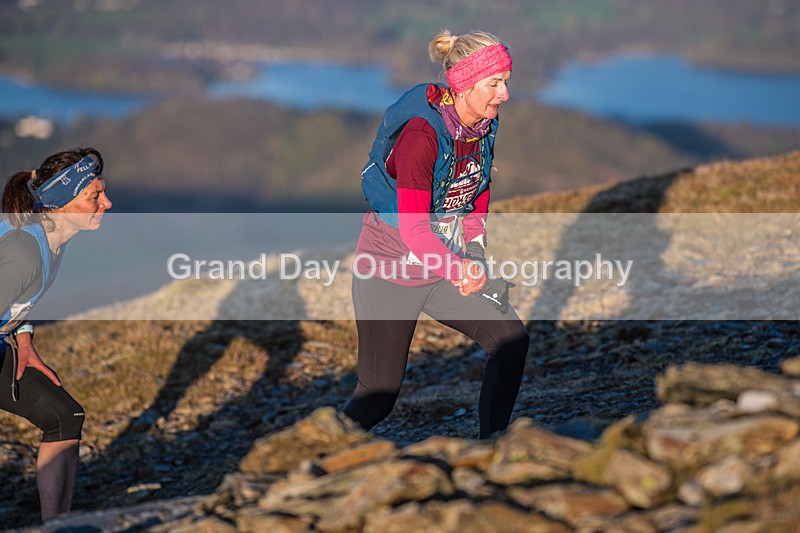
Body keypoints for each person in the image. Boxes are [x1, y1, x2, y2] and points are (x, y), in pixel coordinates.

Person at [343, 30, 530, 439]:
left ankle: (491, 447)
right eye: (494, 84)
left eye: (506, 83)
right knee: (378, 395)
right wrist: (459, 269)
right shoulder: (421, 137)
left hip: (441, 268)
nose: (505, 95)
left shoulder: (481, 127)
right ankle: (303, 459)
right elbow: (412, 230)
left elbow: (477, 192)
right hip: (389, 274)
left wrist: (475, 253)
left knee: (510, 340)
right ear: (463, 84)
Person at [0, 147, 112, 521]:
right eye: (94, 196)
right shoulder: (25, 252)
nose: (107, 203)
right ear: (63, 203)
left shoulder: (52, 241)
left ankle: (59, 526)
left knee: (65, 415)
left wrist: (25, 338)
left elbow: (16, 298)